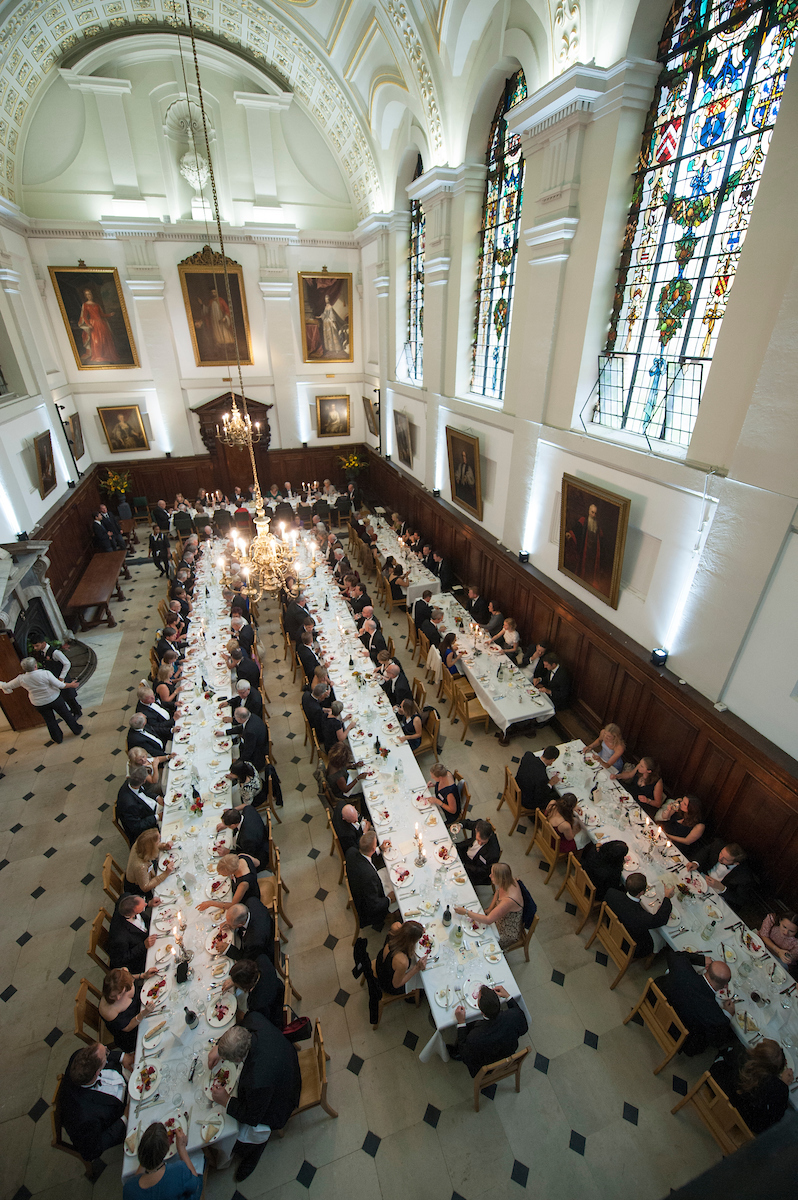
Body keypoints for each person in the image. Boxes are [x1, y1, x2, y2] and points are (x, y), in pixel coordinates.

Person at [208, 1014, 301, 1182]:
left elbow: (252, 1117)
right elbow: (237, 1028)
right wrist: (218, 1046)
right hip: (285, 1057)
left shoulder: (257, 1080)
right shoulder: (254, 1019)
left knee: (240, 1131)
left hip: (284, 1095)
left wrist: (226, 1101)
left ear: (237, 1059)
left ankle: (253, 1151)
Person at [655, 950, 735, 1056]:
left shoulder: (682, 969)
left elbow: (675, 954)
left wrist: (701, 959)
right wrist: (728, 1014)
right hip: (677, 1035)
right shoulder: (716, 1015)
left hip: (657, 1002)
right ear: (725, 986)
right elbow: (717, 1042)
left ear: (707, 969)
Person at [61, 1042, 131, 1163]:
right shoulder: (84, 1117)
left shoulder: (77, 1057)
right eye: (107, 1053)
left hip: (125, 1077)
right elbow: (91, 1150)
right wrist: (124, 1119)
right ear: (98, 1072)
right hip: (120, 1112)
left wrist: (122, 1056)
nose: (107, 1051)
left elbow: (100, 1053)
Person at [709, 1040, 792, 1135]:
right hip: (745, 1120)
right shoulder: (777, 1087)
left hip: (722, 1092)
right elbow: (775, 1117)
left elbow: (717, 1065)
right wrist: (784, 1084)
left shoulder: (740, 1055)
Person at [449, 984, 528, 1076]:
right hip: (507, 1052)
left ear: (481, 1010)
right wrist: (508, 997)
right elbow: (523, 1029)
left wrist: (461, 1023)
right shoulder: (514, 1016)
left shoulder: (474, 1037)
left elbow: (465, 1056)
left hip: (485, 1066)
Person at [0, 656, 82, 742]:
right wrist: (71, 685)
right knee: (66, 715)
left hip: (39, 703)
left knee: (50, 721)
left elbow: (6, 686)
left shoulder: (21, 679)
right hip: (54, 699)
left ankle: (57, 738)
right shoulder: (45, 673)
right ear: (35, 666)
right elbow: (60, 685)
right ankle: (76, 729)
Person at [123, 1120, 202, 1198]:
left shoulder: (128, 1188)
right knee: (199, 1156)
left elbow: (136, 1181)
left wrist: (147, 1153)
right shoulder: (179, 1170)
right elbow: (195, 1185)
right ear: (166, 1149)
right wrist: (181, 1148)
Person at [455, 863, 524, 950]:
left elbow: (488, 920)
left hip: (505, 929)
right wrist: (490, 909)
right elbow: (498, 891)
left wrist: (466, 912)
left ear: (501, 878)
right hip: (500, 915)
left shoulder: (509, 901)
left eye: (493, 875)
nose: (490, 876)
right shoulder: (508, 880)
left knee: (477, 940)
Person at [605, 873, 674, 957]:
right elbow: (660, 920)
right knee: (662, 938)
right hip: (629, 946)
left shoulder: (611, 893)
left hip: (611, 927)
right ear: (642, 892)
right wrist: (667, 898)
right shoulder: (641, 917)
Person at [99, 967, 157, 1054]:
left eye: (120, 993)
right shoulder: (108, 1011)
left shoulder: (123, 974)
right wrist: (144, 1013)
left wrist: (143, 975)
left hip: (143, 1007)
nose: (117, 998)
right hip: (131, 1033)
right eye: (113, 996)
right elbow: (127, 1027)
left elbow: (130, 977)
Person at [686, 841, 755, 914]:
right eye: (721, 853)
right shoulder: (717, 845)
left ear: (736, 863)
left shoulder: (745, 876)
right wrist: (696, 863)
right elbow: (704, 852)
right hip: (702, 877)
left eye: (725, 859)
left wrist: (722, 888)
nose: (720, 858)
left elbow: (740, 900)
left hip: (716, 894)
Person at [345, 831, 393, 928]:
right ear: (372, 848)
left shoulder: (351, 851)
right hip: (367, 909)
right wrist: (389, 899)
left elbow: (366, 854)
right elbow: (373, 905)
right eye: (376, 844)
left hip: (359, 882)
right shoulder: (369, 876)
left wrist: (380, 849)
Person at [222, 955, 284, 1028]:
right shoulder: (262, 960)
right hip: (279, 986)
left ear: (245, 987)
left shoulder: (256, 1003)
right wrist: (234, 979)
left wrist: (243, 1016)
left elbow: (257, 1019)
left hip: (274, 1015)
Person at [31, 636, 82, 721]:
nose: (35, 648)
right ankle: (74, 709)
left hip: (61, 677)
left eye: (37, 645)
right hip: (54, 677)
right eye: (34, 646)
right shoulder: (42, 652)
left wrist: (61, 677)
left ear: (43, 643)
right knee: (64, 695)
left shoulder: (55, 652)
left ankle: (77, 711)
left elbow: (67, 663)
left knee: (69, 695)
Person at [373, 920, 427, 995]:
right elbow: (396, 984)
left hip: (381, 963)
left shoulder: (395, 928)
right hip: (388, 983)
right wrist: (417, 968)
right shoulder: (402, 961)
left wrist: (419, 930)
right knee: (423, 982)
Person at [109, 894, 156, 974]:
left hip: (149, 932)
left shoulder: (125, 898)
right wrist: (143, 945)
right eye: (143, 906)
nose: (145, 904)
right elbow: (121, 960)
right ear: (133, 913)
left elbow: (140, 903)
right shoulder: (120, 938)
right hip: (140, 957)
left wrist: (148, 903)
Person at [116, 766, 160, 844]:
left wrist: (157, 797)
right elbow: (137, 826)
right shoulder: (129, 804)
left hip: (153, 808)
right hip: (147, 827)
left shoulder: (131, 783)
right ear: (144, 781)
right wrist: (157, 817)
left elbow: (144, 792)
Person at [125, 828, 173, 898]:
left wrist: (164, 846)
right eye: (158, 841)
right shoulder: (141, 866)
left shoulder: (140, 844)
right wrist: (165, 874)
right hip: (137, 891)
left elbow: (153, 846)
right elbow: (146, 887)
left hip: (144, 874)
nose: (159, 842)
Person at [223, 898, 275, 962]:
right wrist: (230, 922)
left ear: (239, 925)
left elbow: (245, 959)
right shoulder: (251, 901)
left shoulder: (253, 941)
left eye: (231, 925)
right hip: (267, 923)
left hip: (267, 951)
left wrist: (227, 948)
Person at [580, 839, 628, 904]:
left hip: (582, 881)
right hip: (596, 894)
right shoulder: (614, 872)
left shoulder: (593, 853)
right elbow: (613, 888)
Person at [515, 747, 560, 813]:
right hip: (526, 801)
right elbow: (540, 796)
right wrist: (550, 783)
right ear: (552, 760)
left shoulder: (528, 755)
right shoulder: (542, 777)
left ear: (544, 751)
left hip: (517, 787)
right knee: (557, 797)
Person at [457, 819, 501, 887]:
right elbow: (467, 823)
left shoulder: (493, 853)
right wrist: (459, 825)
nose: (480, 843)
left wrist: (465, 867)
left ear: (489, 836)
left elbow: (484, 871)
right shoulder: (479, 825)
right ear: (476, 830)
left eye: (483, 842)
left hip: (475, 869)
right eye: (478, 840)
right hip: (466, 850)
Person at [230, 706, 267, 773]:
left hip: (256, 756)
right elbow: (242, 728)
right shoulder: (251, 717)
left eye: (235, 718)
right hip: (254, 746)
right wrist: (225, 732)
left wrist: (237, 762)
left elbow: (248, 751)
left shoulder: (250, 732)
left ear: (240, 719)